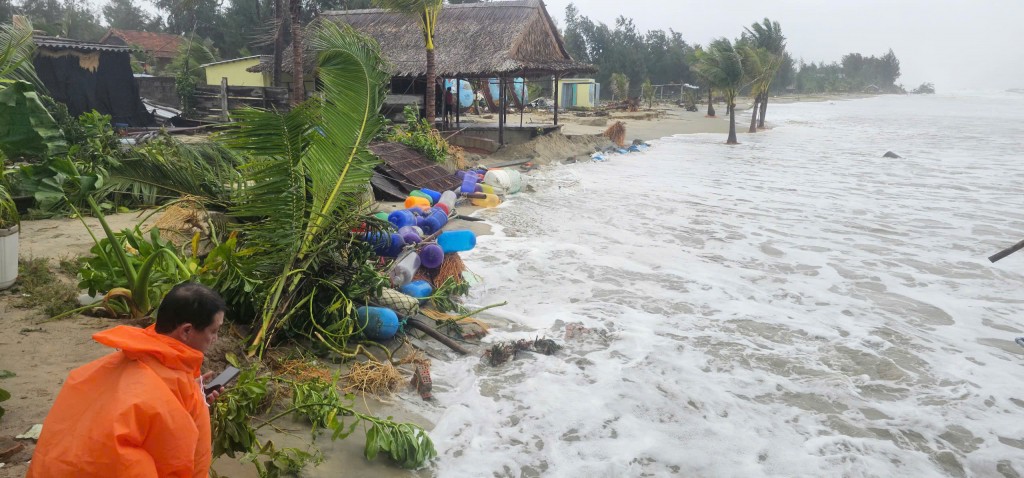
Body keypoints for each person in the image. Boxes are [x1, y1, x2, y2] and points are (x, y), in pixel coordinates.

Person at [27, 283, 227, 478]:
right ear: (186, 331)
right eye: (214, 331)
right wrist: (194, 407)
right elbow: (179, 463)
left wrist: (193, 397)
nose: (216, 338)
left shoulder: (108, 366)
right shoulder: (167, 393)